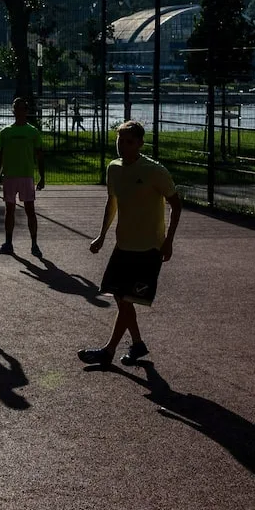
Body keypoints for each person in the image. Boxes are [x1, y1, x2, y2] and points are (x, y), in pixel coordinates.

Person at [80, 120, 182, 366]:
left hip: (148, 249)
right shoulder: (113, 168)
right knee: (120, 297)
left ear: (140, 144)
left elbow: (176, 205)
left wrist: (168, 242)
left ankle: (108, 351)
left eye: (129, 142)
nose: (122, 146)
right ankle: (137, 344)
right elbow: (112, 202)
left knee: (125, 300)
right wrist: (102, 235)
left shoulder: (154, 171)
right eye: (120, 140)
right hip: (123, 245)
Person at [0, 97, 48, 257]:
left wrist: (42, 177)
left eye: (22, 108)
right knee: (9, 210)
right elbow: (0, 157)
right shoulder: (6, 132)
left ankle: (34, 244)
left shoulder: (32, 132)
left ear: (26, 111)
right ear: (13, 111)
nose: (19, 111)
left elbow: (39, 156)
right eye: (17, 108)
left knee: (30, 210)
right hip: (9, 176)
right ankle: (8, 243)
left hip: (26, 176)